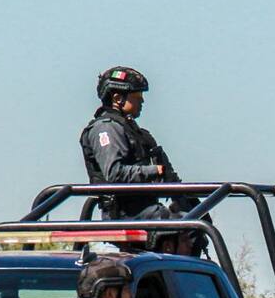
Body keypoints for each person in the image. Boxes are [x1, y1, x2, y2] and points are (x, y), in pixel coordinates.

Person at [79, 66, 205, 256]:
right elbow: (114, 174)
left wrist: (186, 197)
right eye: (136, 97)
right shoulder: (107, 129)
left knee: (196, 220)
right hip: (125, 212)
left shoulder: (137, 133)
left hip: (145, 207)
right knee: (186, 227)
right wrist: (154, 171)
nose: (142, 101)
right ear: (117, 98)